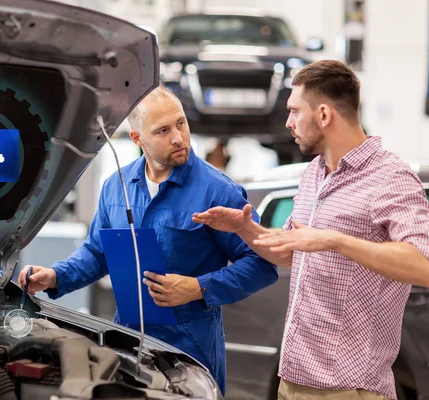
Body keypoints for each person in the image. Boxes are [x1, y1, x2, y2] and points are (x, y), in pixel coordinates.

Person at [193, 60, 429, 400]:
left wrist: (333, 240)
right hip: (293, 383)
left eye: (294, 111)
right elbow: (290, 253)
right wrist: (245, 229)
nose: (288, 122)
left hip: (349, 390)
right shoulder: (313, 175)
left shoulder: (390, 178)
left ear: (323, 115)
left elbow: (424, 267)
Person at [17, 85, 278, 395]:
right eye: (163, 130)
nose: (178, 137)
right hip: (128, 345)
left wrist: (198, 288)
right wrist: (56, 276)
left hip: (191, 353)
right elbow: (98, 254)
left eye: (181, 123)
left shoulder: (217, 191)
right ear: (138, 138)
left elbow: (263, 264)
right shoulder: (117, 186)